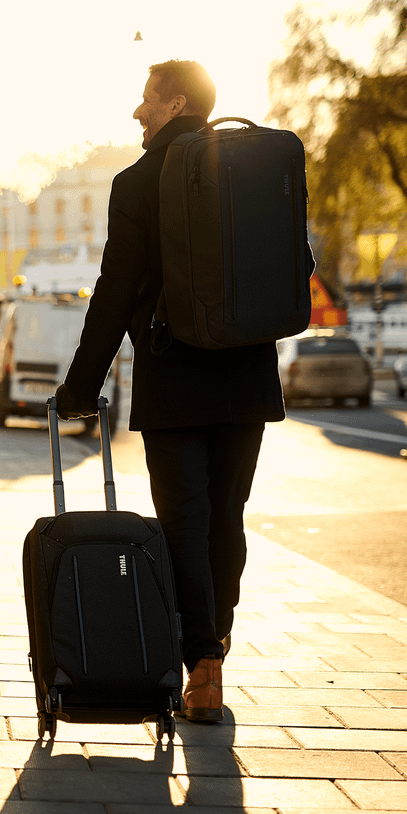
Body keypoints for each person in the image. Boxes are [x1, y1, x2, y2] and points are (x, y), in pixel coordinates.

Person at [55, 60, 287, 722]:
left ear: (176, 101)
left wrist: (79, 385)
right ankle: (214, 653)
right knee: (225, 516)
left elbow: (115, 292)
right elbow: (290, 263)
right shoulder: (253, 167)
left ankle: (202, 660)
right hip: (245, 373)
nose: (137, 112)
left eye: (146, 100)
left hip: (173, 374)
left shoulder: (137, 182)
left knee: (183, 517)